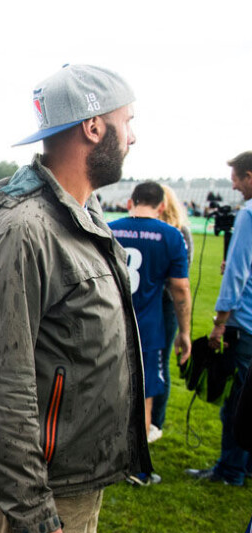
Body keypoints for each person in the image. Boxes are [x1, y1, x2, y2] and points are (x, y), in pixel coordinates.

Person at [0, 64, 151, 533]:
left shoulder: (76, 216)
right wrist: (32, 505)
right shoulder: (24, 228)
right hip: (39, 485)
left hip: (72, 477)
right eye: (127, 122)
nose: (134, 135)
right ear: (94, 128)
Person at [109, 181, 192, 482]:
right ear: (161, 206)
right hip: (147, 328)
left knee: (107, 390)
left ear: (131, 202)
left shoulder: (109, 228)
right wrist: (185, 332)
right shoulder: (171, 235)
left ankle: (101, 458)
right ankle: (136, 468)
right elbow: (180, 289)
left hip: (107, 325)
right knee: (143, 396)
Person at [187, 151, 252, 487]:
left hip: (245, 322)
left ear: (250, 177)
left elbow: (237, 276)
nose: (235, 187)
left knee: (237, 402)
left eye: (237, 179)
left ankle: (231, 471)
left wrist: (219, 321)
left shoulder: (248, 215)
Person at [151, 184, 195, 439]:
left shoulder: (179, 232)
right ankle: (150, 421)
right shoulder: (172, 231)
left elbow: (182, 276)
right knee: (154, 363)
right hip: (158, 302)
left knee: (157, 363)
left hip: (161, 304)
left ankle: (154, 421)